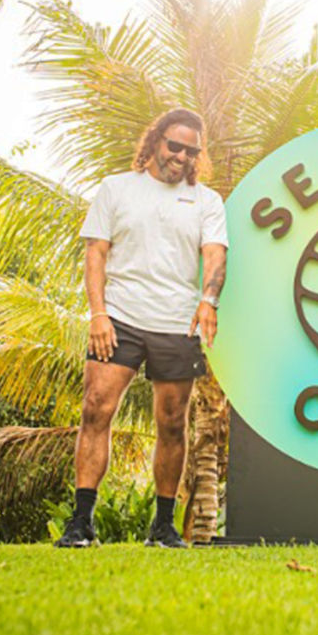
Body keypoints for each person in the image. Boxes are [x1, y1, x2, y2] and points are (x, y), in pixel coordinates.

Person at [55, 108, 228, 549]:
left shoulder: (207, 201)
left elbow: (214, 255)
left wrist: (208, 301)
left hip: (176, 322)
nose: (182, 156)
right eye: (175, 146)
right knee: (96, 409)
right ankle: (81, 523)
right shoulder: (117, 189)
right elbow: (95, 253)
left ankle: (163, 527)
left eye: (192, 151)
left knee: (172, 424)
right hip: (120, 318)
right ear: (155, 141)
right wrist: (98, 314)